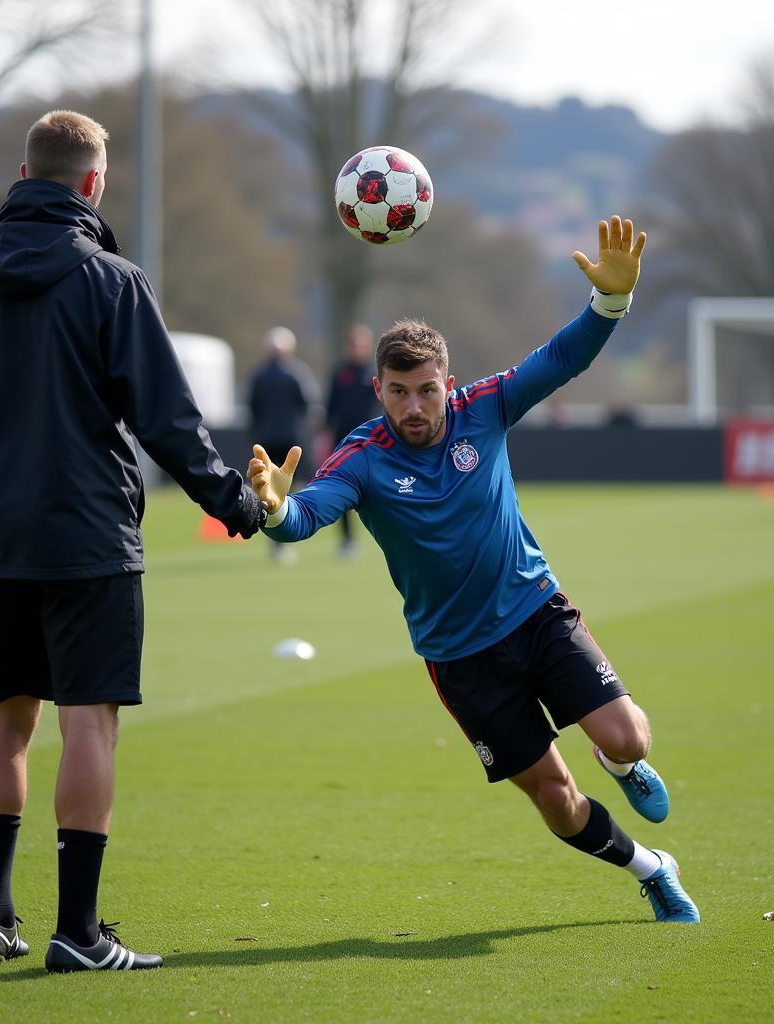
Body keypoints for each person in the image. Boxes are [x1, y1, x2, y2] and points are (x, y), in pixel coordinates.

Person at [249, 216, 700, 924]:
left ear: (446, 382)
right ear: (379, 389)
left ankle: (624, 767)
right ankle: (651, 868)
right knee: (556, 800)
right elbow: (312, 513)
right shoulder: (363, 458)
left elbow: (561, 359)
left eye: (426, 389)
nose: (414, 406)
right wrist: (275, 511)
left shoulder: (482, 409)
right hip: (460, 658)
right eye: (399, 392)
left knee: (627, 737)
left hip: (536, 612)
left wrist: (610, 303)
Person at [0, 110, 267, 974]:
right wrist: (234, 502)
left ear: (24, 175)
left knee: (7, 720)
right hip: (89, 536)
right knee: (89, 723)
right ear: (94, 185)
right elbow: (168, 420)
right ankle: (80, 933)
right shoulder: (114, 281)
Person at [246, 325, 320, 564]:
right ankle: (288, 534)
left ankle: (277, 541)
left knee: (268, 490)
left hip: (266, 440)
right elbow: (308, 404)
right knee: (287, 488)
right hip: (291, 441)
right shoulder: (297, 372)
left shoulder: (258, 375)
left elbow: (252, 407)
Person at [323, 323, 379, 557]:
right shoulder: (339, 373)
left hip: (371, 442)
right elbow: (330, 409)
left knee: (376, 491)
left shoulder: (374, 375)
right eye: (353, 344)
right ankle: (347, 541)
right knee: (342, 491)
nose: (357, 349)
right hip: (343, 443)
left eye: (361, 345)